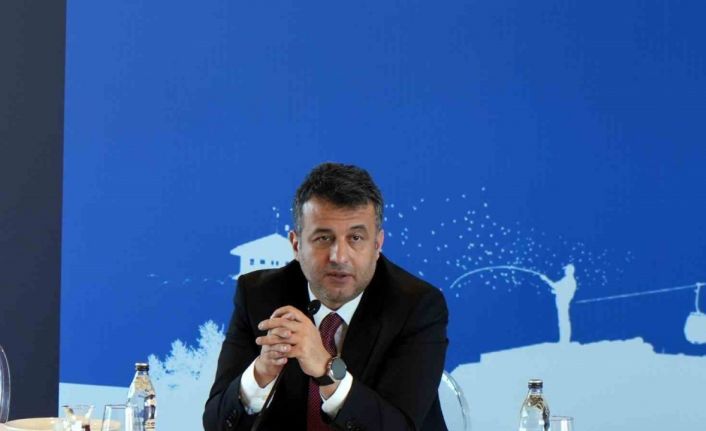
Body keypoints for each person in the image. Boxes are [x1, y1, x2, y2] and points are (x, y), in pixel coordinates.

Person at [203, 163, 449, 431]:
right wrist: (260, 373)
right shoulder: (259, 295)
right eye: (323, 238)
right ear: (296, 245)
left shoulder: (417, 305)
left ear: (377, 245)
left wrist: (326, 369)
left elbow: (400, 427)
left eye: (356, 238)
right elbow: (216, 424)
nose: (339, 257)